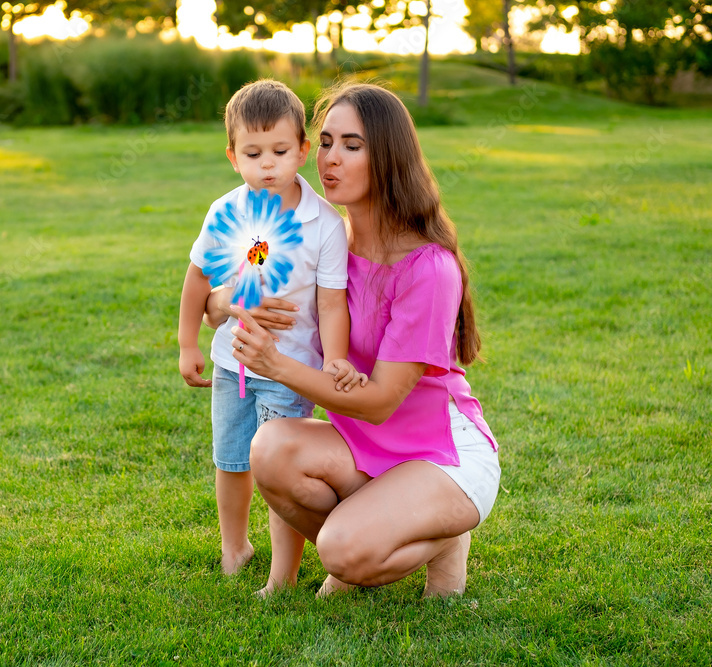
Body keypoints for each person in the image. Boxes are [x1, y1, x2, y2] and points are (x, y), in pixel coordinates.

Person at [208, 82, 501, 598]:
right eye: (324, 142)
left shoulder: (429, 268)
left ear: (387, 158)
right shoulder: (324, 240)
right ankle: (375, 532)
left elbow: (381, 402)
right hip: (361, 447)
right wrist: (229, 304)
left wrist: (277, 366)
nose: (330, 159)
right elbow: (221, 293)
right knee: (270, 448)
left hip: (439, 454)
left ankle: (442, 537)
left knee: (341, 553)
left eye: (352, 145)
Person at [178, 79, 367, 575]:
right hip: (230, 362)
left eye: (280, 151)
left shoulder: (323, 224)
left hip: (289, 367)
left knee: (273, 470)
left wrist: (335, 358)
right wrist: (186, 344)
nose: (267, 164)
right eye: (253, 152)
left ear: (303, 150)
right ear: (232, 156)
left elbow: (332, 303)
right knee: (231, 460)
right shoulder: (225, 211)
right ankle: (234, 547)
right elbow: (197, 278)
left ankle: (281, 574)